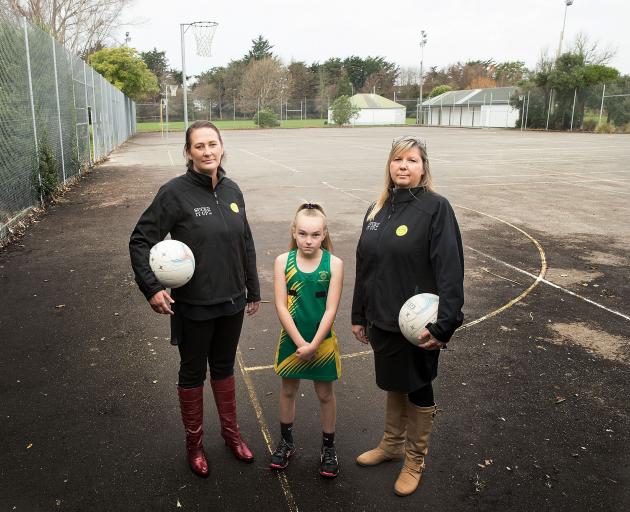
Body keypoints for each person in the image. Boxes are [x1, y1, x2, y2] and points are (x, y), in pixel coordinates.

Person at [129, 120, 261, 478]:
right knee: (192, 372)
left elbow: (244, 241)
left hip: (232, 301)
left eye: (212, 144)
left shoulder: (233, 190)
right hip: (194, 306)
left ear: (222, 147)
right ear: (188, 152)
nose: (207, 151)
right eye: (199, 146)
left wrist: (253, 288)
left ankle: (232, 436)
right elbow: (140, 240)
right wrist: (152, 287)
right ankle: (195, 445)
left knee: (223, 368)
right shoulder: (174, 193)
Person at [351, 135, 464, 496]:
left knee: (418, 385)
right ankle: (392, 445)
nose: (403, 166)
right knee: (394, 380)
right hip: (380, 318)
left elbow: (450, 269)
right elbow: (364, 265)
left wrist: (445, 323)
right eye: (398, 159)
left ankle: (415, 459)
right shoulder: (376, 208)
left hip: (418, 326)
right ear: (389, 165)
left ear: (423, 168)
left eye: (412, 160)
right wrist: (359, 314)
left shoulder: (435, 208)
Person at [270, 203, 344, 478]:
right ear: (294, 232)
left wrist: (314, 344)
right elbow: (280, 305)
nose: (308, 240)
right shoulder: (282, 262)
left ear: (324, 234)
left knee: (325, 394)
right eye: (302, 234)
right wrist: (301, 342)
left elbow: (331, 309)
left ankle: (328, 448)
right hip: (292, 340)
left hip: (321, 343)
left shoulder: (334, 264)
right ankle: (286, 443)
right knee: (288, 391)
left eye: (315, 234)